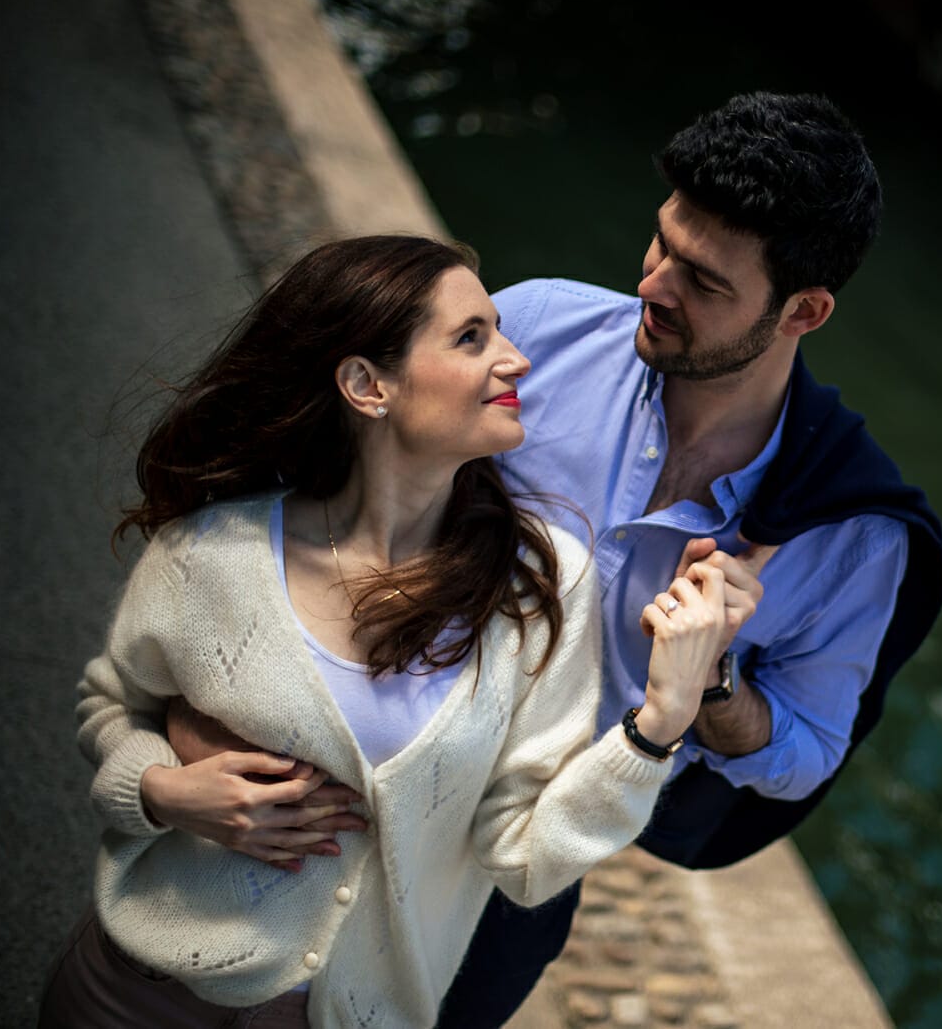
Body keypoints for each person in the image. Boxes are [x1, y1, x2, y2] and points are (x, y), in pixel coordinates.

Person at [167, 92, 942, 1027]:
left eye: (704, 282)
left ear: (805, 310)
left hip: (515, 866)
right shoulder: (533, 330)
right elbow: (319, 473)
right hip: (338, 761)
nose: (654, 284)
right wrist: (200, 724)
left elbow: (806, 751)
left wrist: (710, 682)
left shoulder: (854, 538)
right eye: (662, 242)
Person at [40, 235, 736, 1029]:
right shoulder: (215, 549)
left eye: (500, 332)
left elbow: (525, 859)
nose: (516, 360)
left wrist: (660, 721)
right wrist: (162, 792)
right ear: (367, 385)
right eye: (471, 337)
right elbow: (112, 704)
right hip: (131, 993)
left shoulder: (543, 588)